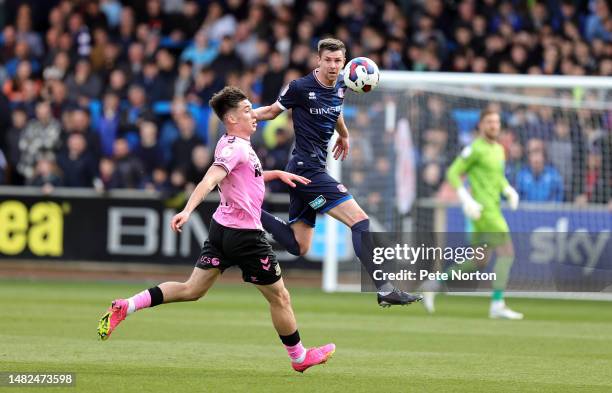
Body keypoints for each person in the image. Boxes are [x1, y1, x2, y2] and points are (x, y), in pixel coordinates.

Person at [97, 86, 335, 373]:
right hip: (246, 236)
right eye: (247, 111)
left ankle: (127, 305)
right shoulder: (235, 148)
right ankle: (299, 358)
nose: (254, 115)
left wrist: (276, 174)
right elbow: (210, 180)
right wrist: (187, 210)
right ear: (232, 119)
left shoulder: (230, 142)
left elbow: (245, 177)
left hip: (222, 228)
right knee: (280, 297)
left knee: (191, 289)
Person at [253, 38, 422, 307]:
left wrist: (343, 134)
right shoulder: (300, 87)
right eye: (328, 60)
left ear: (344, 62)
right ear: (318, 60)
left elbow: (336, 110)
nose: (333, 66)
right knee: (360, 221)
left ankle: (249, 210)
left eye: (337, 61)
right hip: (306, 170)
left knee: (299, 246)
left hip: (307, 170)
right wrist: (243, 116)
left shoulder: (344, 83)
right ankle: (385, 288)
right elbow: (272, 112)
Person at [423, 109, 523, 320]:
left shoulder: (498, 149)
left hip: (487, 211)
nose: (494, 126)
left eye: (496, 122)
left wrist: (507, 190)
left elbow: (497, 177)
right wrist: (465, 198)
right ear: (480, 125)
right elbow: (452, 172)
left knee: (479, 261)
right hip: (484, 211)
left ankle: (433, 284)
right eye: (489, 122)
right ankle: (497, 304)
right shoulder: (474, 149)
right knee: (507, 253)